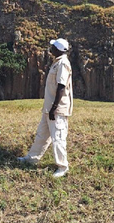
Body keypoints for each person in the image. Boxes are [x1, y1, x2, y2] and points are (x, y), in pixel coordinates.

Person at [18, 38, 73, 178]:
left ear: (59, 49)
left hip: (57, 109)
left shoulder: (63, 64)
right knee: (42, 135)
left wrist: (55, 108)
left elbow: (61, 87)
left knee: (58, 138)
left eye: (53, 46)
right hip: (49, 108)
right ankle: (32, 158)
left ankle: (62, 166)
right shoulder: (57, 62)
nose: (51, 48)